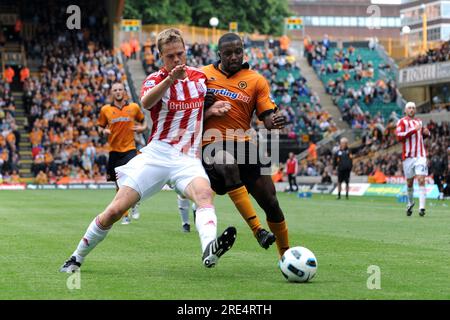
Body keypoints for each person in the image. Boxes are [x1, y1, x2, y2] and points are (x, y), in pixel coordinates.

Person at [60, 28, 236, 273]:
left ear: (186, 51)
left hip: (187, 159)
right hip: (158, 155)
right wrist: (170, 79)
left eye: (180, 54)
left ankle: (209, 249)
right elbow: (146, 103)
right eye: (170, 56)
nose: (177, 60)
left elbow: (191, 114)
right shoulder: (154, 80)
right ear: (160, 57)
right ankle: (76, 257)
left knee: (205, 195)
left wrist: (211, 111)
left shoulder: (200, 78)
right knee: (116, 210)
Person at [201, 33, 290, 257]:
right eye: (228, 53)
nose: (234, 57)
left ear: (244, 52)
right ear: (219, 54)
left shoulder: (256, 80)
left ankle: (286, 255)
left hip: (245, 144)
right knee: (227, 163)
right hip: (212, 142)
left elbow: (267, 117)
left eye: (238, 52)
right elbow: (188, 112)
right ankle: (258, 230)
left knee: (271, 202)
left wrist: (275, 121)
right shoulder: (202, 76)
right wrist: (204, 105)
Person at [97, 82, 147, 225]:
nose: (118, 92)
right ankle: (124, 215)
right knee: (118, 186)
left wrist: (141, 129)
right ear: (111, 93)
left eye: (120, 89)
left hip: (130, 149)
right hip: (114, 151)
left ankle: (135, 203)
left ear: (125, 92)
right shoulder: (105, 110)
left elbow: (144, 123)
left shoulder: (134, 107)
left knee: (134, 179)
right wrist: (104, 131)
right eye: (115, 90)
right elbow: (100, 127)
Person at [396, 101, 430, 216]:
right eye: (409, 108)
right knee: (409, 182)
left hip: (420, 155)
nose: (411, 110)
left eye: (413, 108)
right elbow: (399, 137)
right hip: (408, 157)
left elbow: (420, 136)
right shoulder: (401, 122)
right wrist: (413, 130)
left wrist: (426, 133)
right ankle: (410, 203)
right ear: (405, 110)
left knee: (421, 179)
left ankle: (422, 208)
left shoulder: (419, 121)